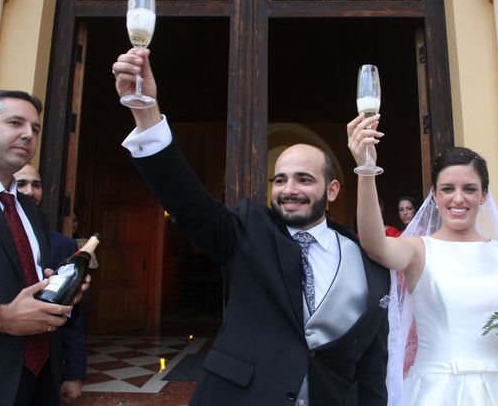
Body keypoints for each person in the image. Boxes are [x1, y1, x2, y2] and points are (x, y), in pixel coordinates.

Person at [112, 48, 390, 405]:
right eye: (280, 180)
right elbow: (185, 199)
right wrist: (145, 112)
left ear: (331, 190)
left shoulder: (366, 256)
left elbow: (371, 368)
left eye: (304, 179)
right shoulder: (247, 231)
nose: (289, 190)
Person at [347, 113, 498, 406]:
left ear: (483, 196)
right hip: (437, 390)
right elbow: (374, 244)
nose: (458, 198)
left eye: (469, 189)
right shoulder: (418, 250)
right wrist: (366, 169)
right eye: (447, 189)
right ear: (434, 196)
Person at [0, 90, 89, 405]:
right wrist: (3, 318)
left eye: (35, 129)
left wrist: (60, 288)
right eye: (15, 123)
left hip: (39, 379)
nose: (28, 134)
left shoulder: (29, 208)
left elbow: (22, 276)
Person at [15, 163, 87, 404]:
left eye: (36, 185)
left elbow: (74, 317)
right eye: (21, 183)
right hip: (1, 363)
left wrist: (74, 373)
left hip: (48, 362)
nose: (29, 191)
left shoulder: (64, 246)